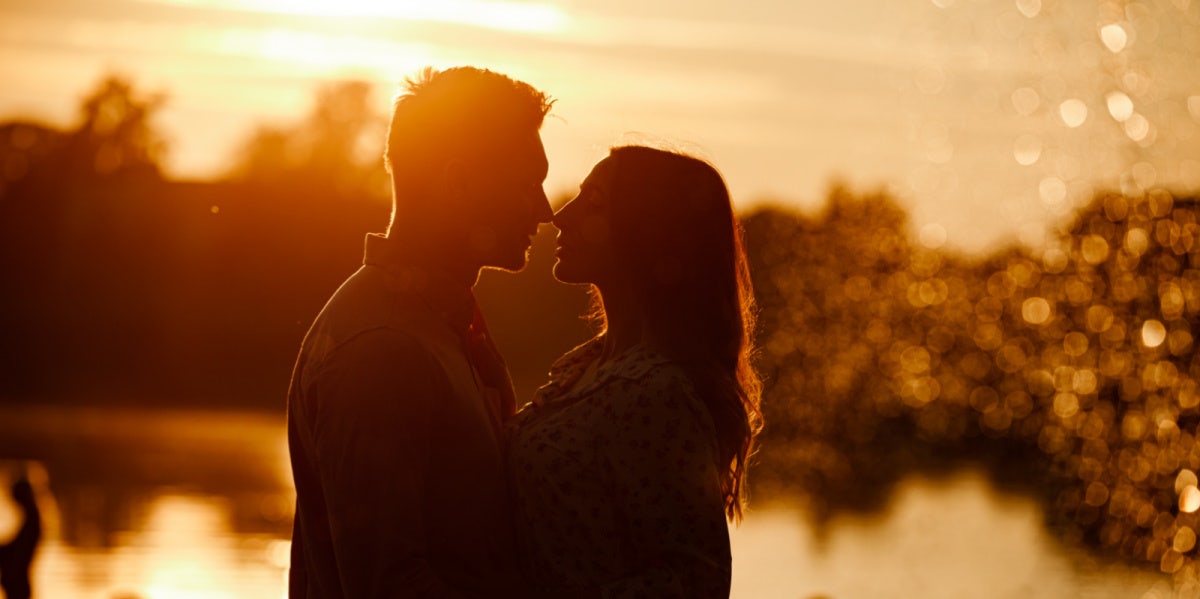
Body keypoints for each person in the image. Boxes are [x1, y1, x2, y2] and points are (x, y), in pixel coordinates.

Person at [287, 66, 554, 598]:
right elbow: (388, 584)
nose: (545, 210)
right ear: (458, 181)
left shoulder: (439, 322)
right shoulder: (384, 349)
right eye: (528, 184)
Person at [507, 145, 764, 597]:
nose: (560, 216)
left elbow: (696, 581)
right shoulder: (586, 367)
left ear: (646, 230)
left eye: (594, 204)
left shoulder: (656, 391)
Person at [0, 478, 41, 599]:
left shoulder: (32, 520)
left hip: (17, 585)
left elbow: (19, 553)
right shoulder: (32, 518)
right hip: (17, 584)